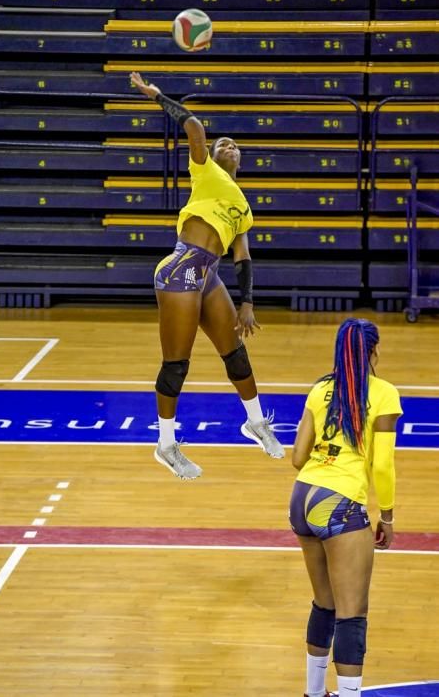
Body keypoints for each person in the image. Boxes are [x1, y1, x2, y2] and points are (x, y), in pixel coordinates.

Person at [130, 71, 284, 480]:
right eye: (223, 144)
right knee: (177, 365)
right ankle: (166, 445)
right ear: (212, 157)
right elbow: (194, 127)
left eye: (235, 144)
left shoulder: (244, 207)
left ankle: (254, 423)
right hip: (181, 270)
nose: (230, 146)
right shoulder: (205, 173)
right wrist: (156, 94)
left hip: (210, 276)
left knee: (235, 353)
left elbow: (243, 257)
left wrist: (248, 302)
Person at [289, 318, 402, 697]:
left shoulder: (320, 389)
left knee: (325, 603)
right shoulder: (384, 394)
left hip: (303, 498)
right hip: (340, 504)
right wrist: (386, 514)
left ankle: (314, 692)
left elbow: (298, 456)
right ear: (373, 351)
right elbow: (382, 466)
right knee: (352, 612)